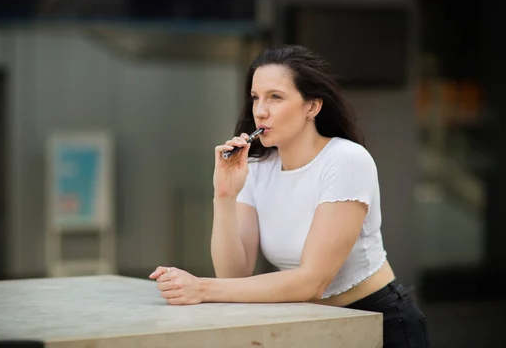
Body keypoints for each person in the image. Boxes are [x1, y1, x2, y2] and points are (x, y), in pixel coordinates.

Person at [149, 45, 431, 347]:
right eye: (256, 97)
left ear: (312, 106)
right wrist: (224, 196)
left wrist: (201, 288)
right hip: (309, 326)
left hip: (378, 323)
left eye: (275, 97)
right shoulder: (256, 168)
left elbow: (313, 281)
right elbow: (233, 276)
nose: (260, 110)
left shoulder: (346, 160)